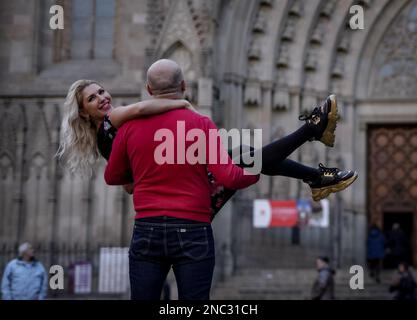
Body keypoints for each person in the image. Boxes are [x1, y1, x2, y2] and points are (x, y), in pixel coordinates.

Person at [103, 59, 356, 299]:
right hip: (192, 229)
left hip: (148, 229)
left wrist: (143, 170)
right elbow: (230, 177)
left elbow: (113, 176)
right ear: (184, 86)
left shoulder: (128, 129)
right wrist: (258, 170)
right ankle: (312, 142)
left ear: (148, 89)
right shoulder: (200, 124)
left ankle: (313, 151)